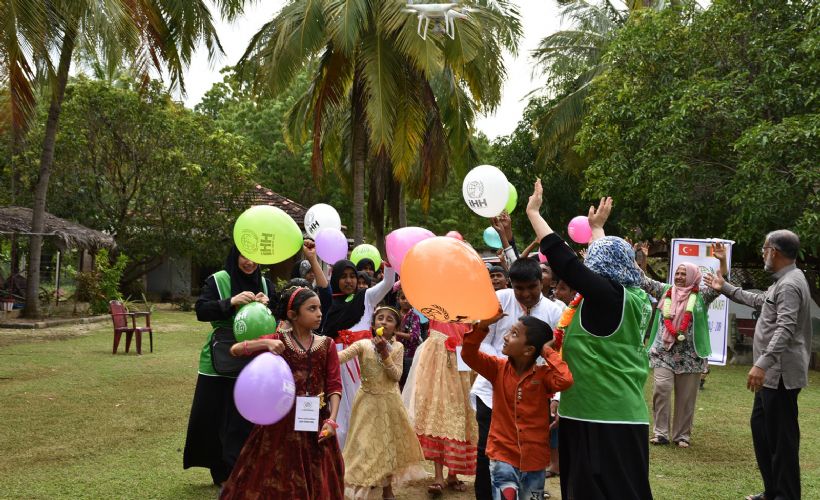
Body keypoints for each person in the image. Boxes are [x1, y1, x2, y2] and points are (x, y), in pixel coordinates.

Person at [526, 179, 654, 500]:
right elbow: (605, 263)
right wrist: (597, 229)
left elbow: (566, 262)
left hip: (600, 416)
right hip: (613, 413)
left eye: (592, 262)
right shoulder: (632, 296)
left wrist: (534, 214)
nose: (587, 267)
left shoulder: (607, 297)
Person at [704, 230, 812, 500]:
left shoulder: (790, 284)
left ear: (774, 251)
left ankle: (786, 495)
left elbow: (785, 328)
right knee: (762, 431)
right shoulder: (783, 281)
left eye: (764, 249)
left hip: (780, 374)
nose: (762, 254)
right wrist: (724, 286)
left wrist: (762, 363)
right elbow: (758, 301)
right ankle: (772, 491)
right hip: (771, 376)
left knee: (782, 440)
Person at [220, 286, 344, 499]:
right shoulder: (278, 340)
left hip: (316, 423)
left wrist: (332, 420)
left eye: (319, 308)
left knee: (318, 477)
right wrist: (265, 342)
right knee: (275, 476)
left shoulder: (327, 345)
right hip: (279, 424)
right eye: (311, 309)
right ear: (293, 314)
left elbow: (334, 385)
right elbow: (235, 350)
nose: (319, 314)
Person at [469, 258, 563, 498]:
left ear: (541, 282)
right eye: (519, 288)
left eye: (532, 287)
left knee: (530, 451)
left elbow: (560, 356)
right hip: (492, 390)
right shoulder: (498, 301)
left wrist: (557, 398)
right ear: (511, 284)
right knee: (487, 451)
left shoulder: (555, 312)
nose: (526, 294)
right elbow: (482, 343)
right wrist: (507, 365)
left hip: (534, 393)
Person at [183, 246, 275, 487]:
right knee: (216, 417)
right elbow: (201, 310)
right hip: (219, 360)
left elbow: (280, 314)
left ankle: (243, 470)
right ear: (235, 256)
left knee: (245, 418)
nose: (249, 262)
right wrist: (230, 302)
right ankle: (222, 473)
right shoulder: (218, 280)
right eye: (244, 255)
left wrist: (268, 305)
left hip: (253, 360)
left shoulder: (265, 284)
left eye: (254, 257)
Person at [463, 312, 573, 500]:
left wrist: (547, 351)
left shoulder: (543, 376)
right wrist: (482, 326)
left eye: (514, 334)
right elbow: (468, 354)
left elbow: (565, 379)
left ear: (529, 350)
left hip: (535, 459)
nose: (506, 337)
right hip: (502, 455)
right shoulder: (497, 368)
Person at [641, 243, 728, 448]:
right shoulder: (665, 291)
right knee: (661, 389)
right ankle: (661, 433)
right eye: (677, 273)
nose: (679, 277)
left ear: (693, 276)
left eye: (684, 274)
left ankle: (681, 436)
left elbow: (720, 282)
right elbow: (643, 280)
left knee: (686, 398)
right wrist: (640, 258)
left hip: (691, 356)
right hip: (663, 353)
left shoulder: (702, 296)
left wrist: (723, 261)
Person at [338, 305, 426, 499]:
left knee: (388, 445)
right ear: (373, 324)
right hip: (366, 403)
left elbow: (396, 376)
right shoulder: (363, 345)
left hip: (389, 403)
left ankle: (387, 488)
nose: (384, 322)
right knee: (364, 444)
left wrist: (385, 354)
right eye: (380, 318)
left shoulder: (398, 347)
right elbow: (340, 358)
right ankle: (361, 484)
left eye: (389, 320)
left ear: (396, 328)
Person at [322, 259, 396, 450]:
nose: (349, 281)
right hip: (338, 363)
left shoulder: (365, 298)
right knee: (340, 410)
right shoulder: (328, 304)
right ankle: (340, 456)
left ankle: (364, 455)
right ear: (335, 279)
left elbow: (388, 283)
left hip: (362, 363)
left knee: (362, 407)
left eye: (352, 276)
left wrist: (389, 266)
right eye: (343, 277)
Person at [402, 320, 476, 495]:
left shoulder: (469, 316)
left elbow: (471, 342)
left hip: (460, 370)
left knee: (456, 418)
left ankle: (452, 474)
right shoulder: (436, 311)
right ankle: (438, 476)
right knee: (436, 417)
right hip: (434, 369)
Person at [395, 287, 422, 390]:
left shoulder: (414, 316)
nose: (405, 301)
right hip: (394, 353)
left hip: (408, 355)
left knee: (407, 383)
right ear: (398, 299)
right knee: (394, 382)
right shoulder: (394, 315)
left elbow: (414, 336)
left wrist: (396, 333)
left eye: (408, 299)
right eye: (403, 298)